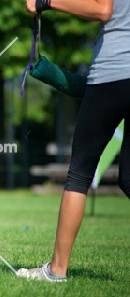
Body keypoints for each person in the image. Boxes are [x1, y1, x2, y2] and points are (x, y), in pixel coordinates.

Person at [18, 0, 130, 282]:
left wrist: (47, 1)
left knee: (79, 174)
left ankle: (56, 271)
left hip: (113, 74)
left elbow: (103, 9)